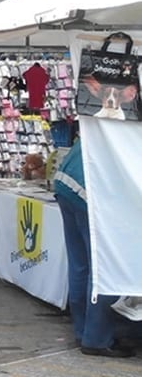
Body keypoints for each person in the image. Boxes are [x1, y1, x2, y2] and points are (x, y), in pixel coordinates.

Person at [54, 139, 134, 356]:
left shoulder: (115, 114)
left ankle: (83, 331)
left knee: (80, 266)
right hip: (89, 192)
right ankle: (96, 339)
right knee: (104, 266)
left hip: (67, 182)